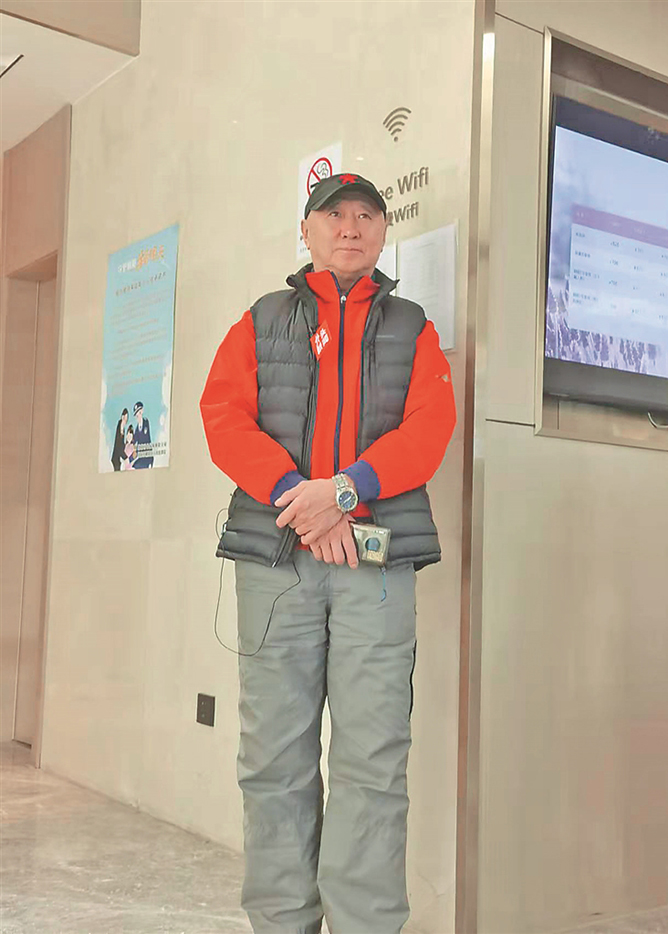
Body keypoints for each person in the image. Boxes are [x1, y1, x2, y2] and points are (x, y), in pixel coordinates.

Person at [200, 173, 456, 934]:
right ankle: (282, 921)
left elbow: (429, 428)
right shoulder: (260, 320)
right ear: (307, 231)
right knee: (273, 757)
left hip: (375, 566)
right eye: (334, 214)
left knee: (373, 758)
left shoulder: (413, 326)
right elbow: (224, 418)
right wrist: (301, 499)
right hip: (276, 561)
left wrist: (343, 492)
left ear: (383, 233)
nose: (351, 227)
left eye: (367, 215)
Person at [132, 401, 153, 468]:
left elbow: (146, 437)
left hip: (147, 455)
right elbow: (134, 441)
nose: (138, 416)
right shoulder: (136, 429)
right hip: (141, 455)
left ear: (142, 411)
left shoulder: (146, 422)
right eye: (136, 414)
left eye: (139, 412)